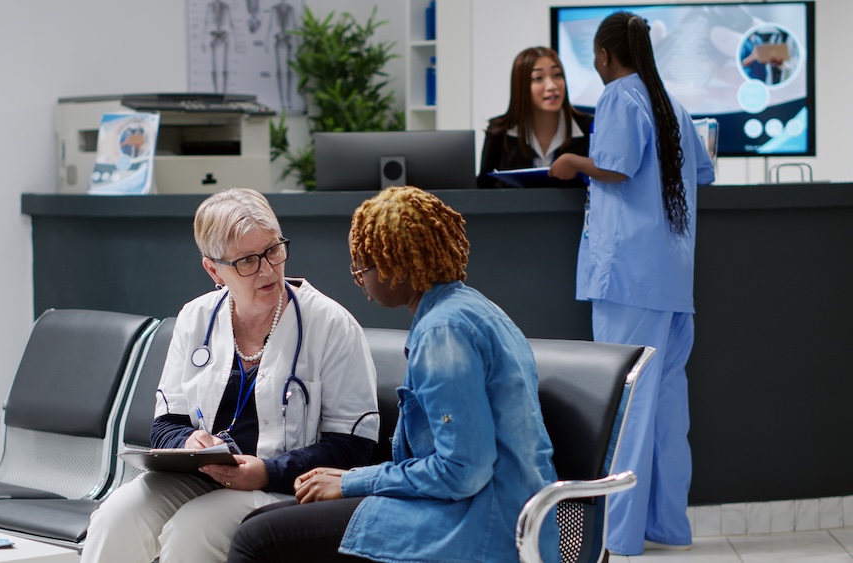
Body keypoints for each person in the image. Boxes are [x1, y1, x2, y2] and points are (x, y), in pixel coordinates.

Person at [227, 186, 561, 563]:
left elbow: (462, 471)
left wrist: (353, 481)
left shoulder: (442, 333)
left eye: (363, 266)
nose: (359, 279)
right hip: (487, 513)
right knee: (262, 523)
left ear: (397, 265)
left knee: (255, 540)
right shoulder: (473, 310)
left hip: (477, 527)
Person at [81, 188, 380, 563]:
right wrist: (189, 442)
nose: (267, 269)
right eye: (246, 261)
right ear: (213, 269)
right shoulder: (196, 318)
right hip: (199, 475)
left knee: (194, 531)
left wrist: (267, 472)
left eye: (273, 250)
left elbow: (353, 448)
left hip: (281, 487)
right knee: (115, 517)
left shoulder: (331, 326)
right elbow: (166, 423)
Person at [548, 11, 716, 557]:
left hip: (628, 279)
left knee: (626, 403)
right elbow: (705, 172)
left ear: (602, 56)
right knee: (667, 403)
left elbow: (617, 167)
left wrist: (573, 160)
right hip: (672, 279)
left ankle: (618, 535)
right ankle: (668, 526)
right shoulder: (672, 103)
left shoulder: (621, 95)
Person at [477, 46, 593, 188]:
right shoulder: (499, 132)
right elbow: (483, 191)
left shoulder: (588, 127)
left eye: (557, 75)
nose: (551, 85)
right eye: (539, 78)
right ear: (522, 87)